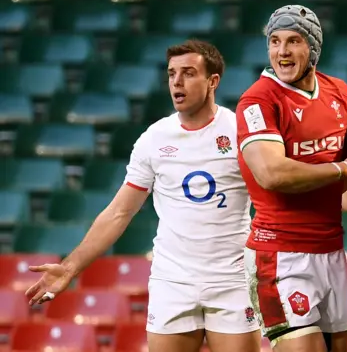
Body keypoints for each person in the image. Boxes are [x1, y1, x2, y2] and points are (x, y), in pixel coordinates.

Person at [24, 40, 261, 352]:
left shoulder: (240, 132)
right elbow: (119, 213)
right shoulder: (154, 139)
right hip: (172, 282)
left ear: (213, 81)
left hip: (232, 281)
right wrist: (69, 267)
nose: (176, 82)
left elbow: (274, 196)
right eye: (172, 74)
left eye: (188, 73)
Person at [235, 4, 347, 352]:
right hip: (279, 255)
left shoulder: (338, 93)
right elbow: (271, 173)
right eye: (275, 41)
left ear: (314, 48)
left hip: (330, 252)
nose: (282, 51)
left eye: (293, 41)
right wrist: (346, 168)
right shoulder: (257, 101)